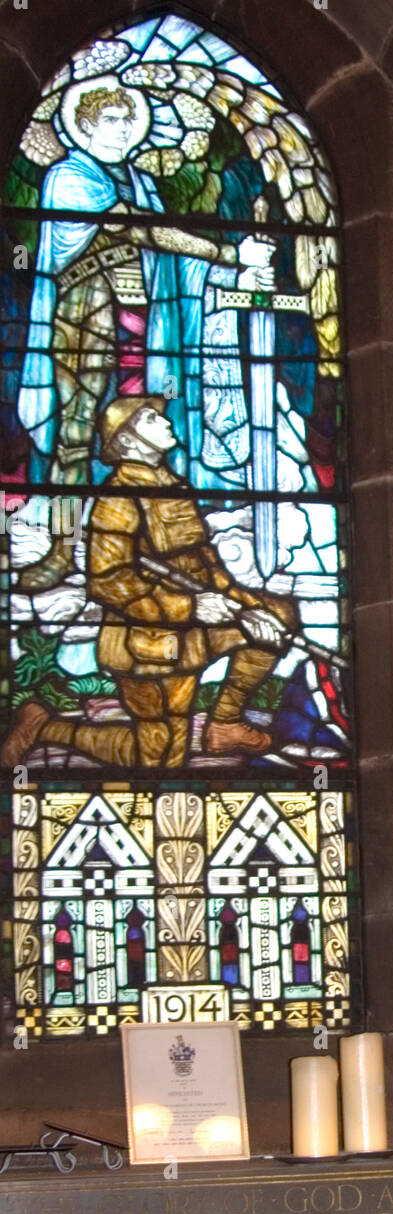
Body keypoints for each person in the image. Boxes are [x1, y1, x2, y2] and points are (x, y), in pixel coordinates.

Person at [16, 83, 274, 588]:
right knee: (76, 435)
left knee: (144, 430)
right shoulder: (70, 178)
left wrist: (234, 275)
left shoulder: (140, 181)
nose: (123, 130)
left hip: (146, 320)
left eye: (128, 121)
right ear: (84, 127)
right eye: (112, 121)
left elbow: (171, 258)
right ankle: (64, 552)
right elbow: (141, 230)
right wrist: (227, 255)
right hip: (85, 318)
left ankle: (142, 546)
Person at [1, 396, 296, 769]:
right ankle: (48, 728)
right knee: (157, 759)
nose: (165, 422)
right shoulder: (118, 499)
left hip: (192, 631)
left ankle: (224, 724)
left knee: (277, 617)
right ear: (127, 441)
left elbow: (206, 564)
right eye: (151, 419)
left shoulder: (174, 488)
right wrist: (191, 607)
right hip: (144, 642)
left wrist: (246, 608)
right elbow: (109, 582)